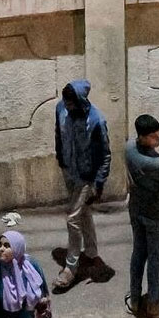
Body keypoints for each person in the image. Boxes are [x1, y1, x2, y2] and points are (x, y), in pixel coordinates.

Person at [52, 80, 111, 292]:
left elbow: (105, 155)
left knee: (72, 219)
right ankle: (92, 253)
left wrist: (99, 183)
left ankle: (71, 268)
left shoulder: (96, 120)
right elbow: (59, 133)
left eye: (71, 103)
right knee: (83, 212)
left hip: (86, 176)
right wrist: (61, 158)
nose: (67, 107)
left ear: (80, 100)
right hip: (68, 170)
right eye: (65, 102)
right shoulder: (60, 108)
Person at [125, 114, 159, 318]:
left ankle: (135, 298)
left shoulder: (129, 148)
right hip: (157, 215)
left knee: (138, 253)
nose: (158, 139)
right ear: (145, 136)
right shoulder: (156, 164)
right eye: (154, 137)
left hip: (136, 208)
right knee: (155, 258)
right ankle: (154, 303)